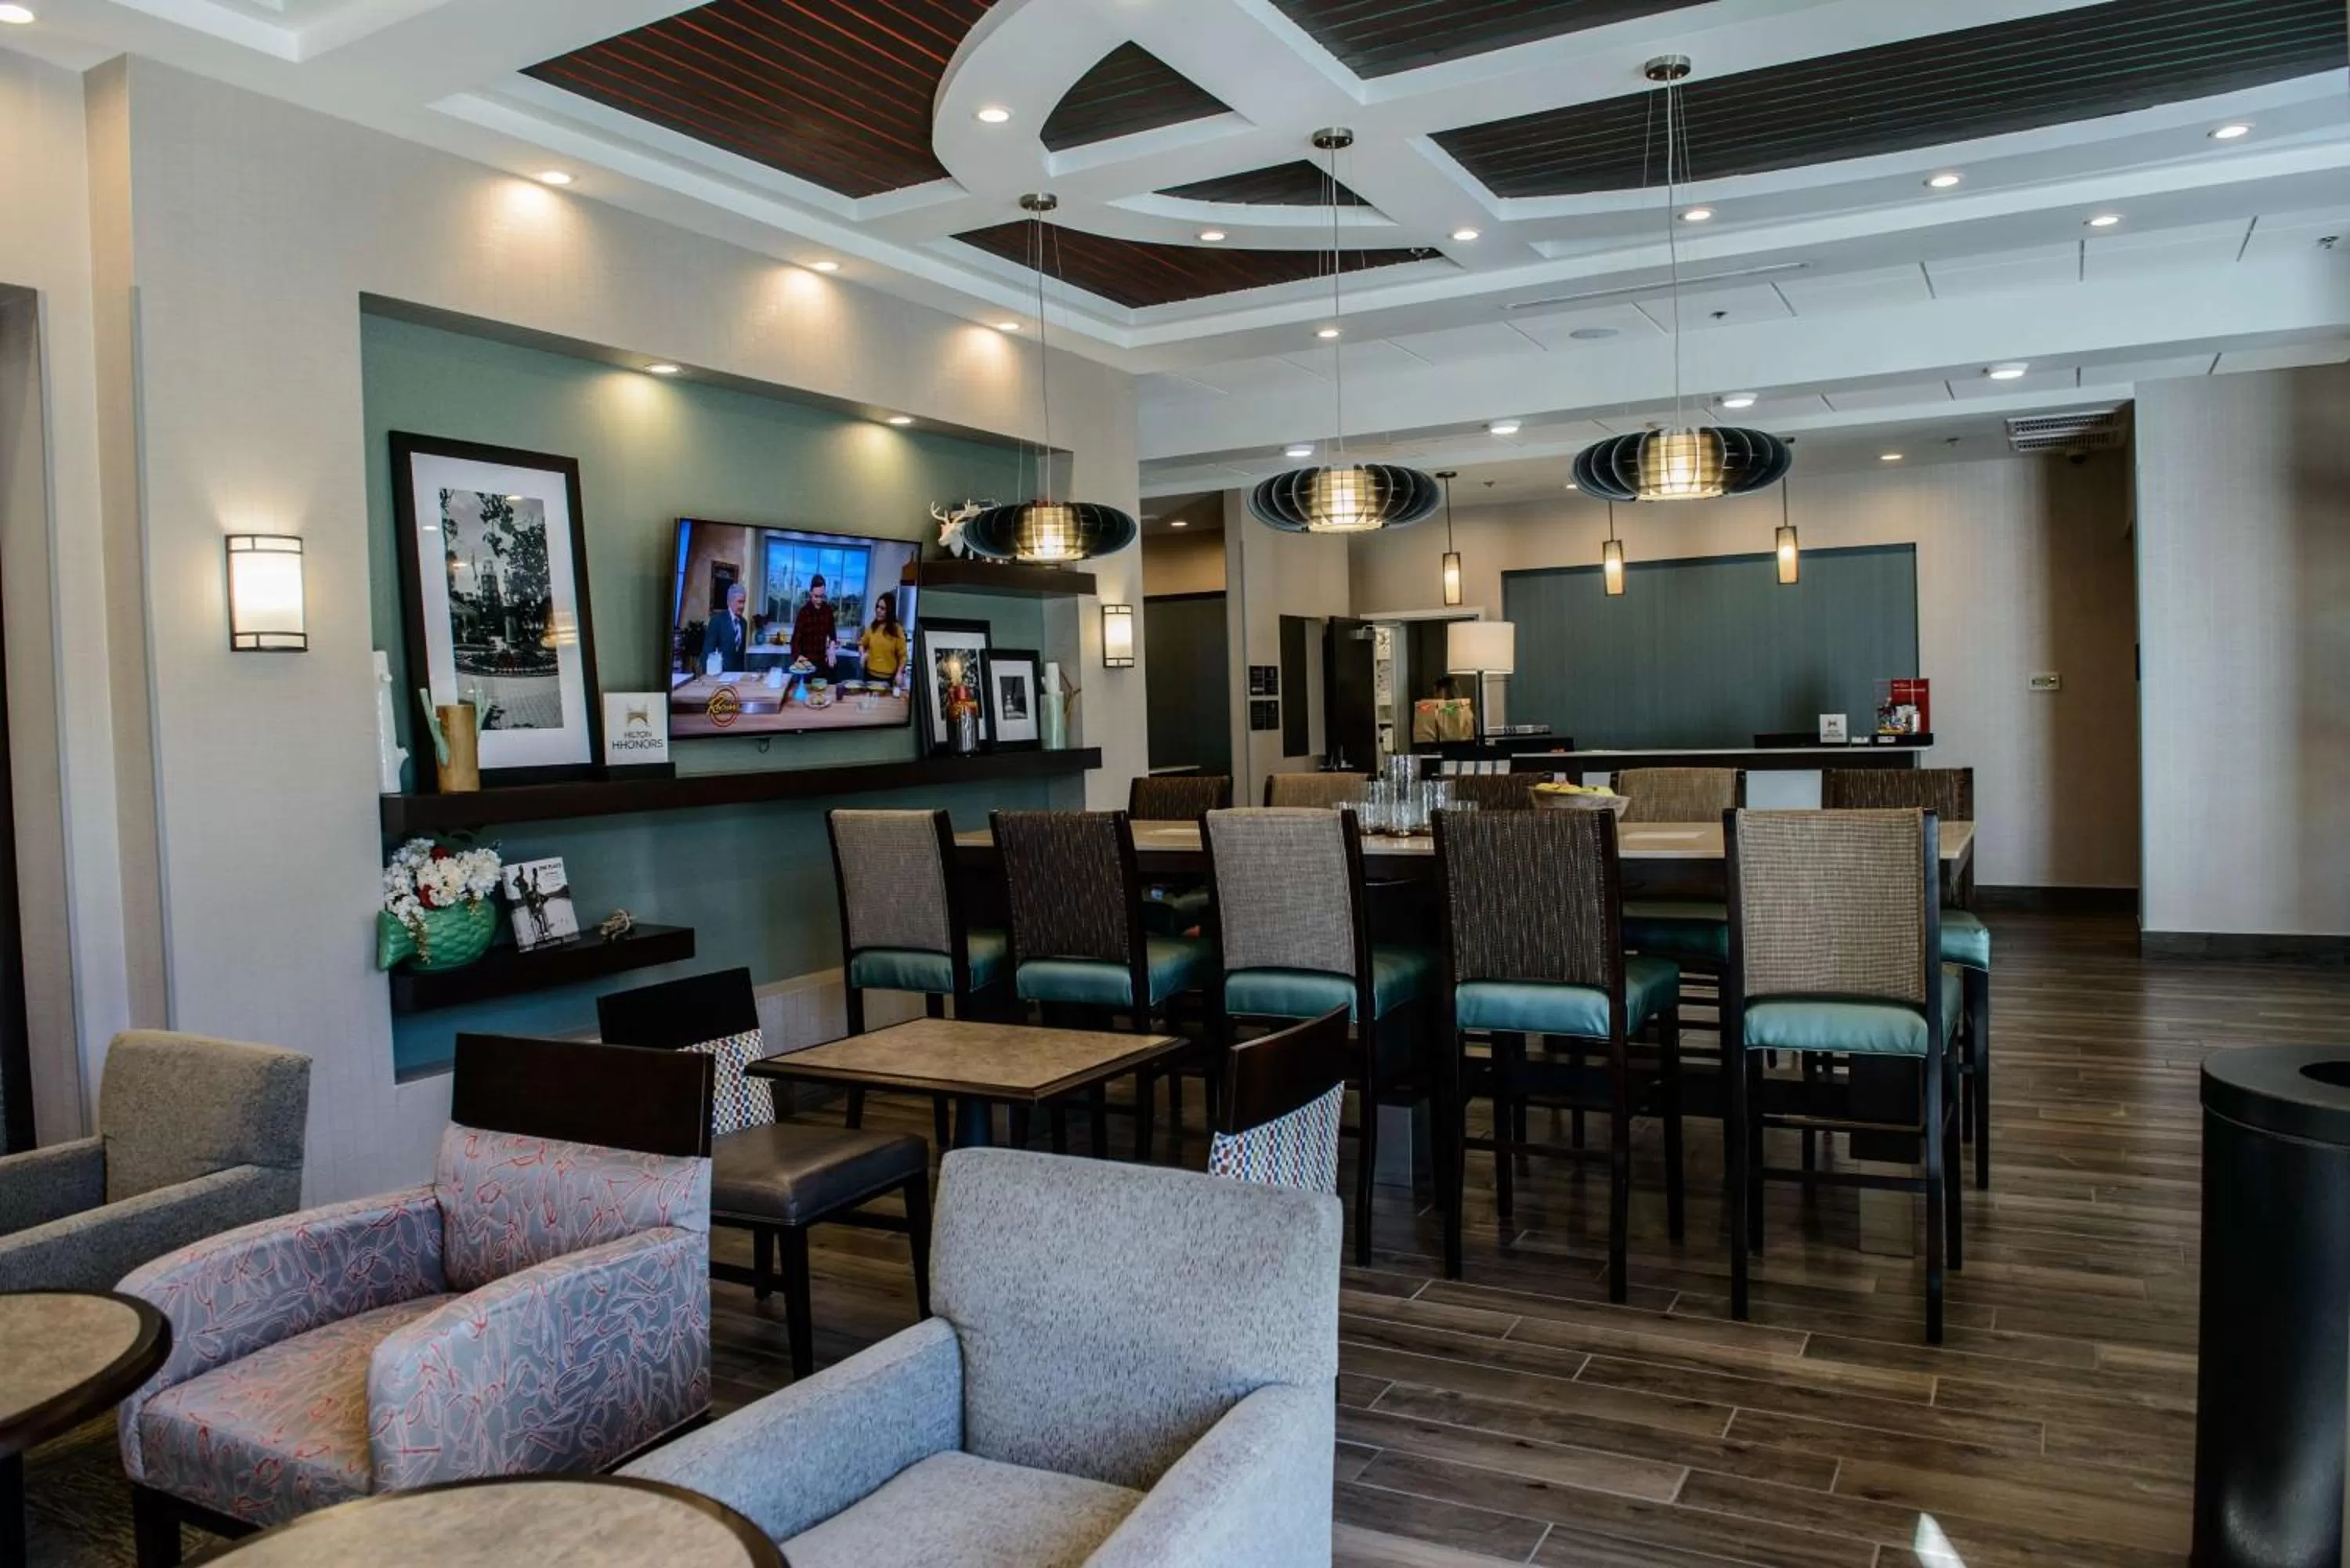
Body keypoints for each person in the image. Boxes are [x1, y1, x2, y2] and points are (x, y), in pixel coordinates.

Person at [789, 575, 840, 676]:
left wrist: (832, 649)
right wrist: (797, 656)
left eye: (822, 596)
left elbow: (833, 635)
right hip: (806, 664)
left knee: (821, 690)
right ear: (811, 593)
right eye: (816, 596)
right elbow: (795, 640)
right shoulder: (803, 613)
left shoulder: (828, 611)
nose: (819, 600)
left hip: (822, 662)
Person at [859, 591, 908, 692]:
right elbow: (861, 644)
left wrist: (899, 673)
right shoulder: (872, 627)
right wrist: (863, 655)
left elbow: (903, 656)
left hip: (888, 680)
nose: (878, 610)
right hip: (869, 677)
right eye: (877, 607)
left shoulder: (897, 630)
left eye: (882, 608)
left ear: (889, 611)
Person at [700, 582, 753, 672]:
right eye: (739, 602)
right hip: (719, 675)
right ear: (730, 602)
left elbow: (740, 656)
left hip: (738, 677)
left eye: (744, 602)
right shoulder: (717, 621)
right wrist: (708, 678)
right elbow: (707, 652)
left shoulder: (744, 623)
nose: (742, 606)